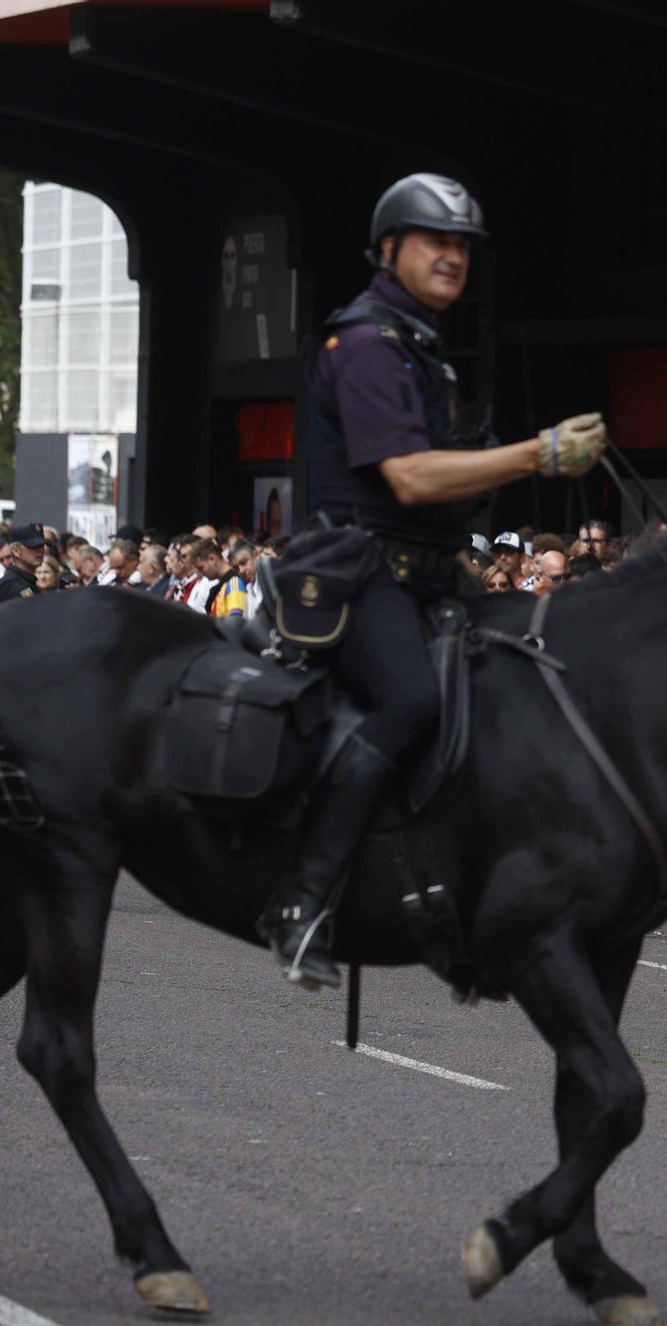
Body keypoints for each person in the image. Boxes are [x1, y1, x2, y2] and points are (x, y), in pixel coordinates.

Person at [265, 172, 611, 990]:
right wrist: (539, 454)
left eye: (463, 245)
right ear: (389, 249)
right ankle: (303, 901)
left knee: (529, 667)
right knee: (410, 700)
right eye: (436, 241)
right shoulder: (366, 342)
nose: (454, 256)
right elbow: (412, 478)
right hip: (360, 572)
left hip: (430, 572)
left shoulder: (422, 345)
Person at [0, 523, 44, 604]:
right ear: (15, 551)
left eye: (41, 545)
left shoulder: (24, 581)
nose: (40, 551)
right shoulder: (12, 585)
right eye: (33, 546)